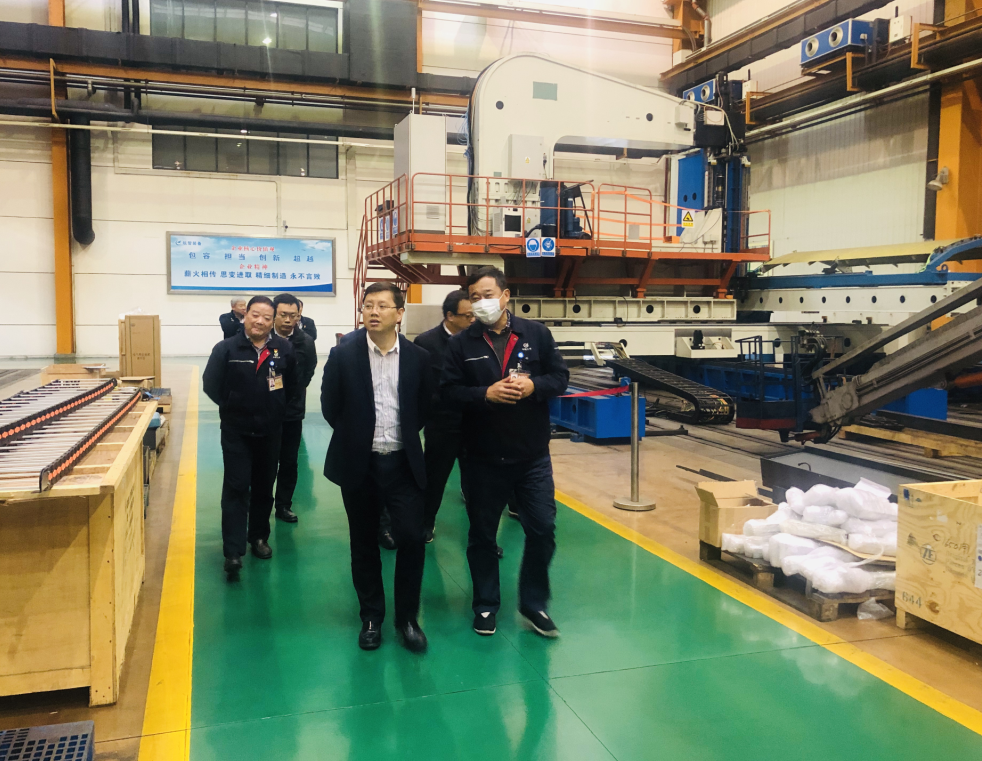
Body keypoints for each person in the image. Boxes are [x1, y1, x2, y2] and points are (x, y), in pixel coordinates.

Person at [442, 266, 569, 638]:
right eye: (474, 297)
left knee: (542, 529)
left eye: (487, 295)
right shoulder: (461, 344)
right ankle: (485, 604)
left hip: (532, 457)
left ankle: (534, 603)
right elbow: (447, 392)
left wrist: (534, 386)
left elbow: (560, 377)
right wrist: (485, 394)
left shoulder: (536, 334)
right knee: (483, 535)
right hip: (482, 457)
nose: (481, 303)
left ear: (505, 295)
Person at [321, 282, 432, 653]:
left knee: (411, 538)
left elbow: (424, 406)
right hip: (360, 463)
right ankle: (371, 617)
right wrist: (356, 438)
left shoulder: (418, 357)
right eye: (368, 305)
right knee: (364, 541)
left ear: (399, 313)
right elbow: (330, 405)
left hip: (403, 463)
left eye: (383, 305)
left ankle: (407, 619)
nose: (373, 311)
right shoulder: (343, 354)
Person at [203, 295, 299, 580]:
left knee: (263, 486)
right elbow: (211, 384)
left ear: (273, 321)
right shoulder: (227, 348)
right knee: (236, 487)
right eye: (255, 315)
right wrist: (233, 406)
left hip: (270, 432)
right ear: (245, 315)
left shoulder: (283, 349)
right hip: (237, 432)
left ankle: (258, 537)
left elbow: (293, 385)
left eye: (267, 318)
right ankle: (232, 551)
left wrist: (275, 410)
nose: (260, 321)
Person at [413, 290, 475, 543]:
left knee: (477, 483)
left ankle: (482, 535)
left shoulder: (478, 339)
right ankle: (425, 523)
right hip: (442, 424)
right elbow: (420, 385)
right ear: (450, 316)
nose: (473, 320)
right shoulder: (426, 343)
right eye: (467, 316)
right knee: (434, 478)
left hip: (475, 423)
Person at [271, 293, 318, 524]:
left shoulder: (305, 341)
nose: (288, 320)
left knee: (289, 461)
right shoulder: (263, 338)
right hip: (264, 412)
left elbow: (309, 370)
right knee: (263, 461)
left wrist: (294, 393)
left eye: (293, 315)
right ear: (274, 314)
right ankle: (258, 503)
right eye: (283, 315)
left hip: (292, 412)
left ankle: (283, 505)